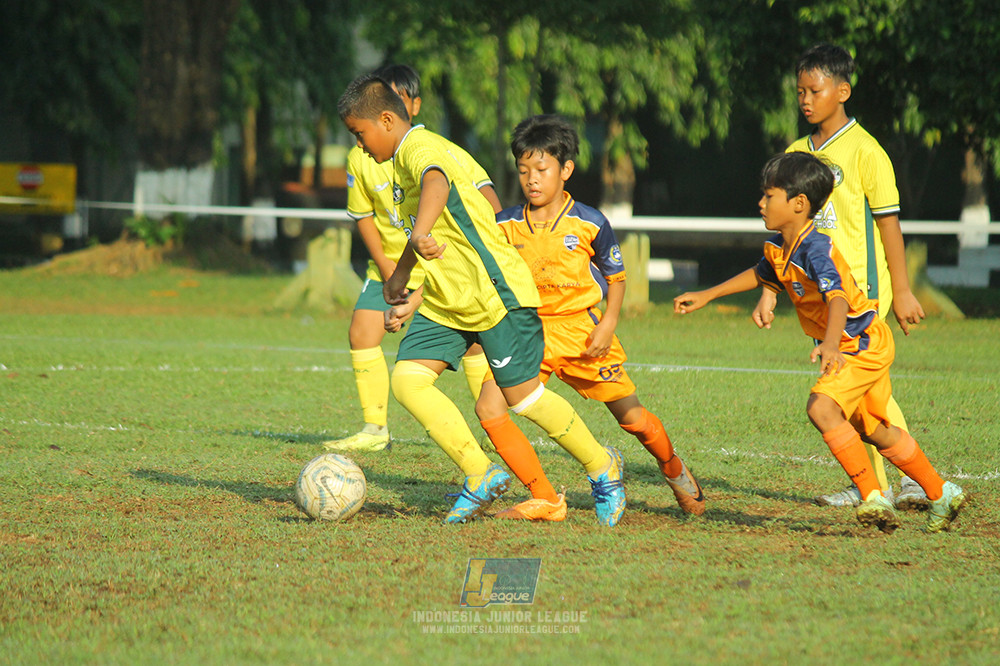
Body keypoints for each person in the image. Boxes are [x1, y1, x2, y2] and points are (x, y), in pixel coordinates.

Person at [337, 73, 626, 525]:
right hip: (448, 300)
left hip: (496, 295)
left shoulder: (419, 149)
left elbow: (437, 185)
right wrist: (403, 279)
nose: (359, 145)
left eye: (360, 134)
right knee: (408, 381)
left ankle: (601, 466)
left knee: (524, 399)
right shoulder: (396, 158)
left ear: (387, 120)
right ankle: (481, 474)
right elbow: (437, 231)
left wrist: (420, 233)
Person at [674, 151, 966, 534]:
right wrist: (708, 295)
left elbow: (838, 298)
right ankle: (942, 492)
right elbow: (762, 274)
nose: (761, 203)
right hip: (858, 342)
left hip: (857, 343)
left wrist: (830, 345)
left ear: (798, 204)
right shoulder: (781, 246)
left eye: (769, 195)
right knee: (874, 430)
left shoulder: (816, 247)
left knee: (821, 409)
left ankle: (873, 496)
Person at [481, 114, 704, 521]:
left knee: (632, 419)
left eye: (542, 169)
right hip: (528, 334)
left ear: (565, 170)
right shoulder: (505, 224)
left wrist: (607, 324)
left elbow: (617, 280)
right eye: (524, 170)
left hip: (583, 334)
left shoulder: (590, 221)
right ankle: (544, 496)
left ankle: (673, 470)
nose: (532, 179)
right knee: (489, 408)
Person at [753, 43, 928, 510]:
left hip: (861, 291)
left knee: (855, 380)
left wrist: (905, 289)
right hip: (821, 288)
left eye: (815, 89)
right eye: (800, 91)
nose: (805, 99)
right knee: (860, 387)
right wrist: (770, 292)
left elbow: (889, 224)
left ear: (843, 90)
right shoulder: (795, 154)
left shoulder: (867, 151)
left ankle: (893, 482)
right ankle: (882, 481)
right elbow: (786, 242)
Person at [323, 65, 493, 453]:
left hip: (442, 262)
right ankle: (374, 427)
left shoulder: (431, 150)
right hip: (392, 264)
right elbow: (362, 215)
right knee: (363, 333)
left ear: (409, 106)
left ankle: (490, 426)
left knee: (473, 345)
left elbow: (482, 195)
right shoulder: (364, 155)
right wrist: (390, 272)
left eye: (402, 97)